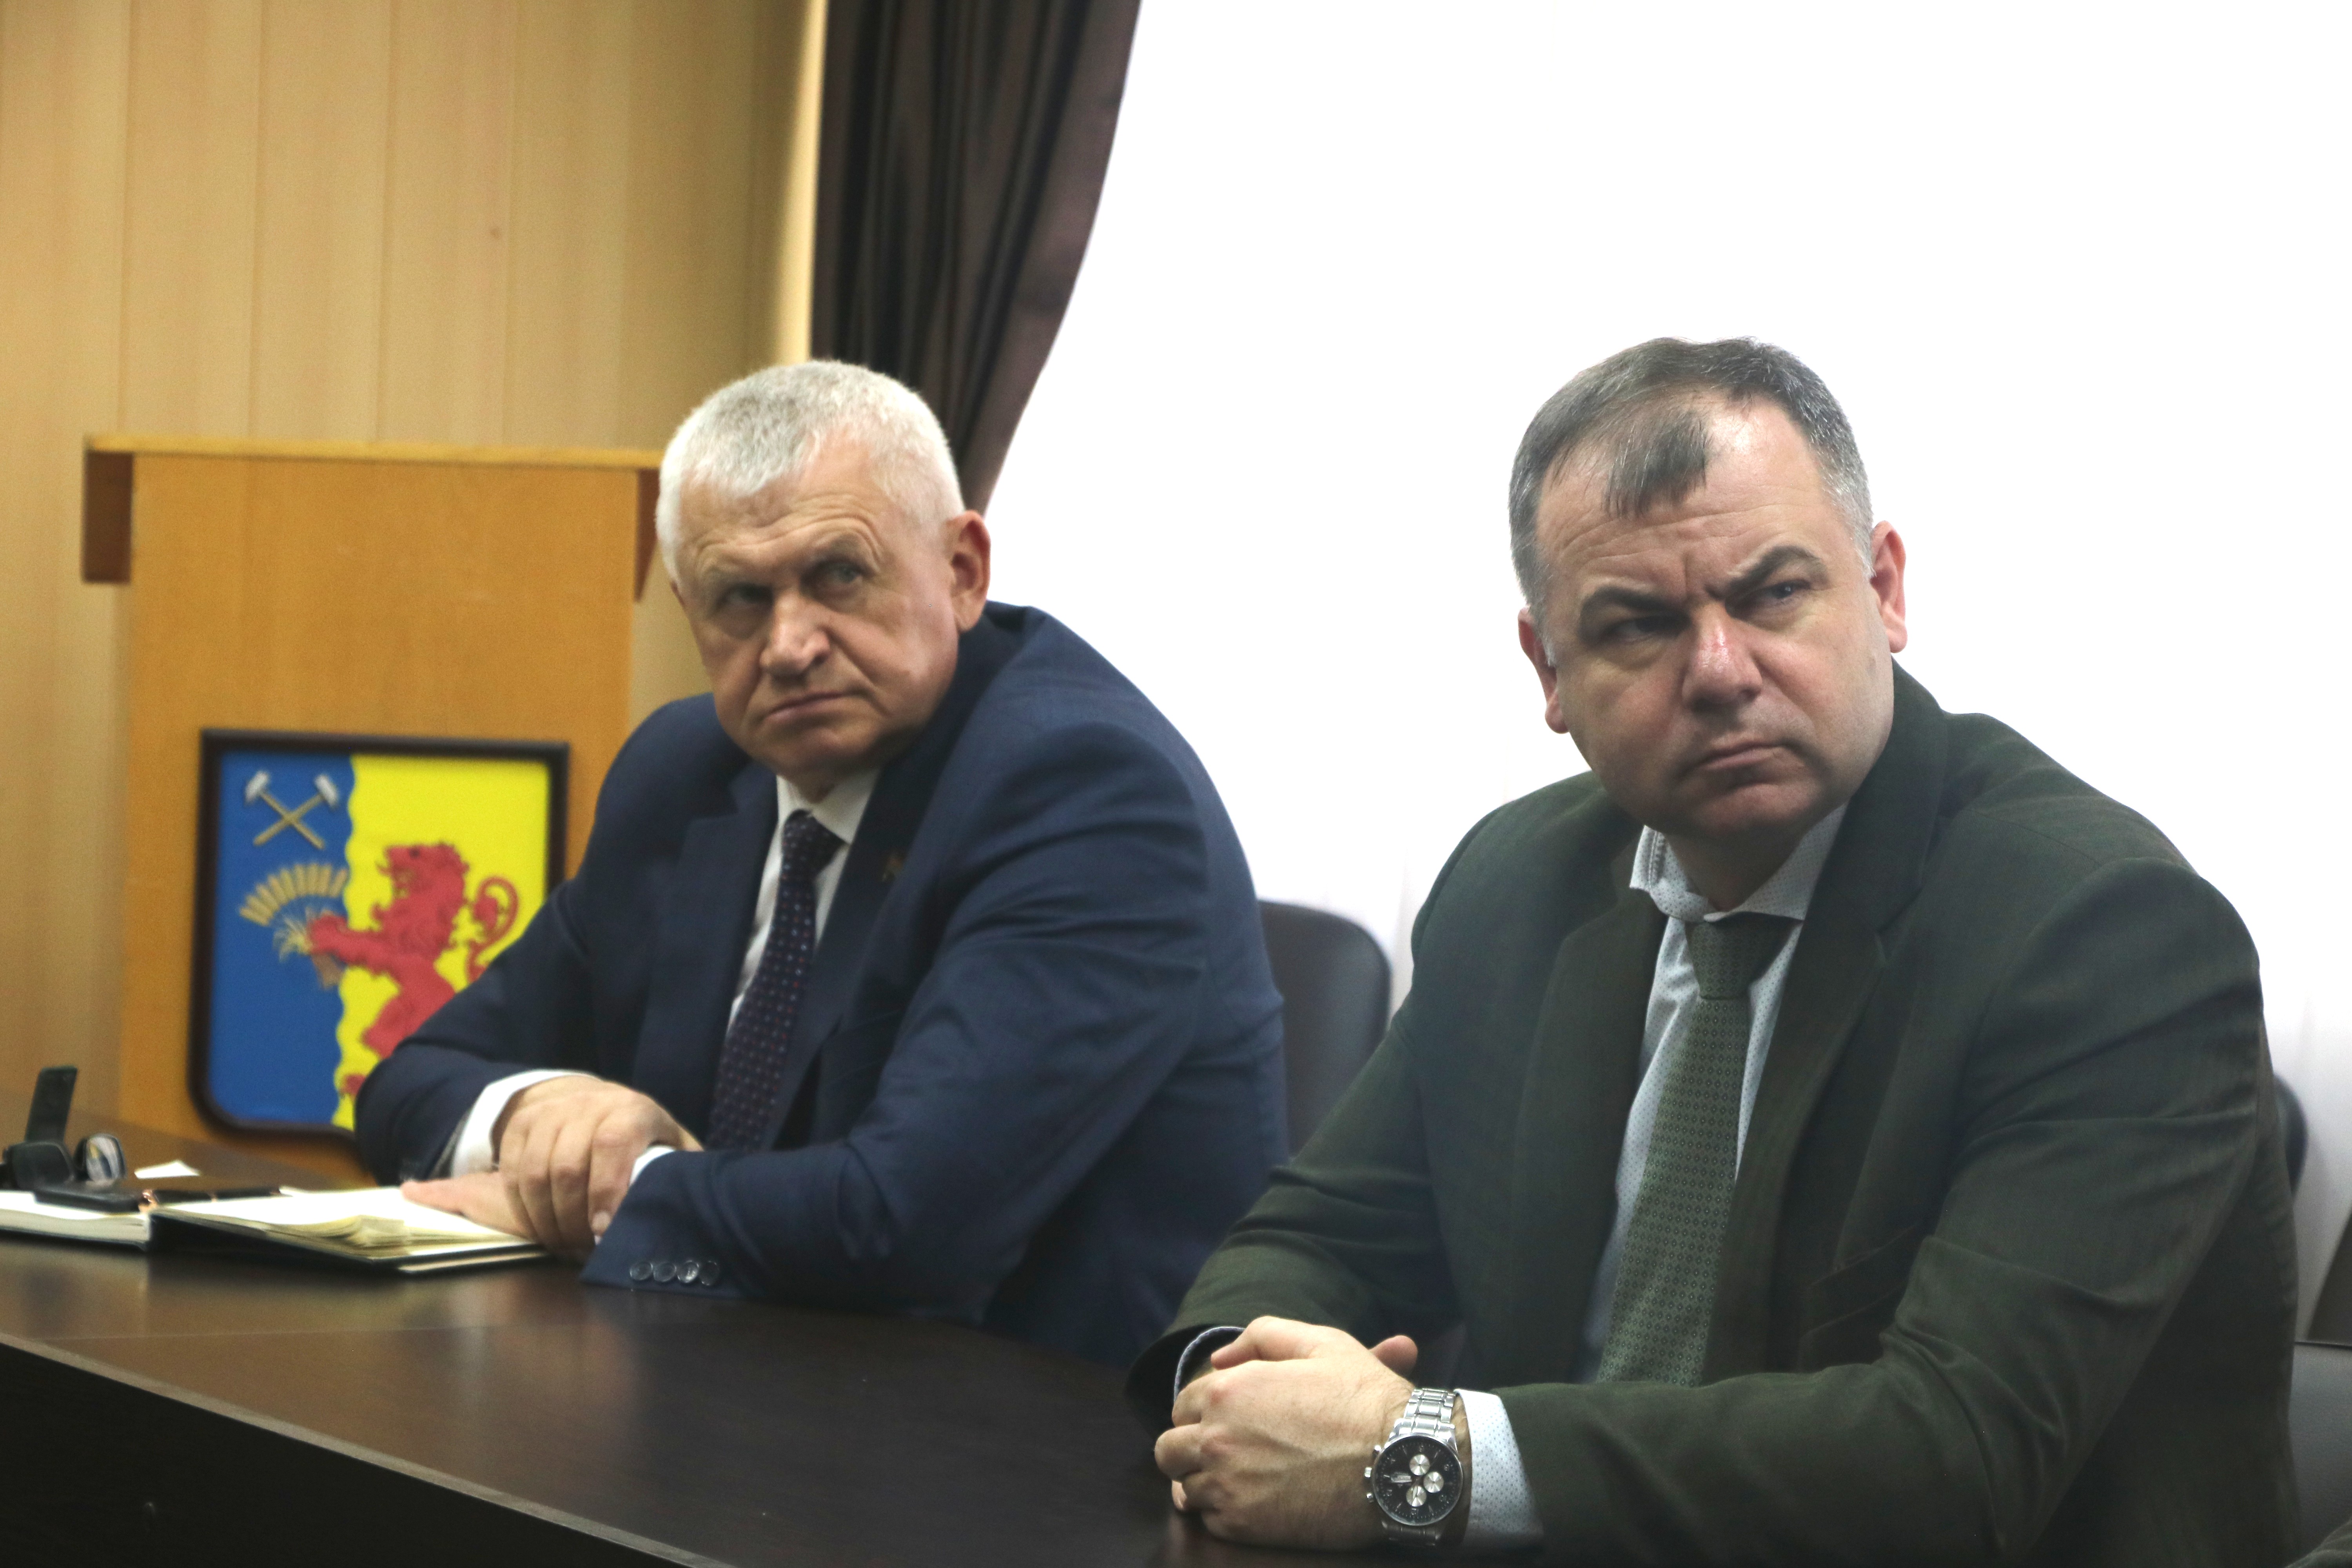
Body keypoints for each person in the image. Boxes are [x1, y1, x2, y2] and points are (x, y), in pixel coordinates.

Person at [1133, 339, 2296, 1561]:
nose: (1722, 672)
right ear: (1548, 669)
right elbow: (1318, 1240)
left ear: (1885, 590)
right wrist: (1237, 1394)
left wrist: (1422, 1456)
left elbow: (1954, 1460)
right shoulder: (1517, 883)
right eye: (1638, 626)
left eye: (1774, 594)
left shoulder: (2102, 930)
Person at [360, 360, 1286, 1365]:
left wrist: (611, 1188)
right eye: (740, 597)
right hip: (728, 1378)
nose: (789, 645)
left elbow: (907, 1222)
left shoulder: (1081, 787)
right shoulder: (685, 771)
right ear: (687, 610)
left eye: (839, 574)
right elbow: (409, 1083)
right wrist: (541, 1113)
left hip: (1028, 1421)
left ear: (963, 570)